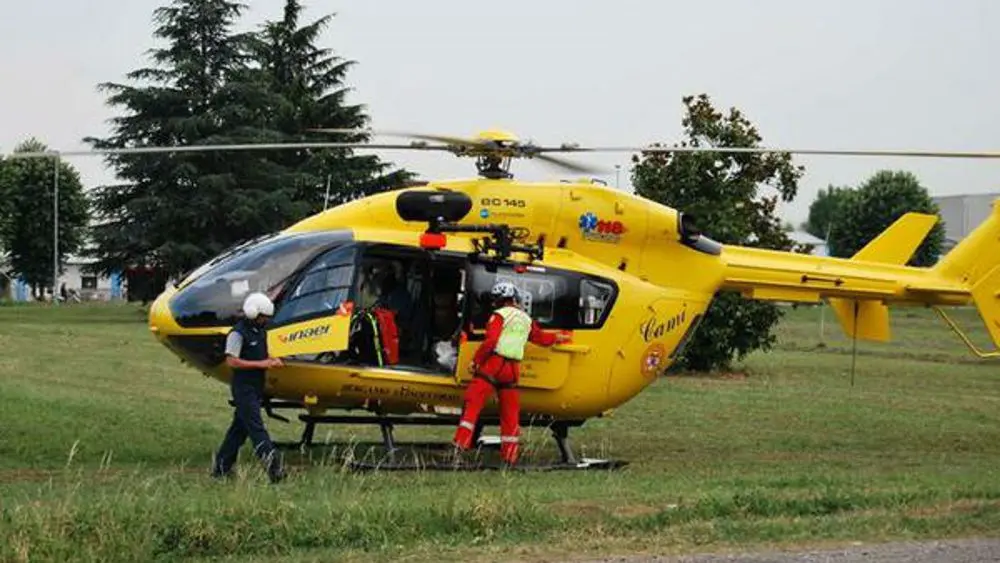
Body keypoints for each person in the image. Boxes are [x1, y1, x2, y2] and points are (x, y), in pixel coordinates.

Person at [452, 280, 570, 465]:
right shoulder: (525, 319)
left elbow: (490, 342)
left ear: (498, 301)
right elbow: (539, 338)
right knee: (510, 413)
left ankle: (460, 446)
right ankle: (510, 455)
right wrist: (557, 337)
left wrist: (476, 361)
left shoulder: (498, 316)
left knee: (472, 401)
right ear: (514, 298)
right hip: (512, 370)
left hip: (494, 365)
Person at [211, 292, 286, 483]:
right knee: (256, 428)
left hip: (256, 386)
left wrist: (272, 360)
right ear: (253, 313)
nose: (265, 321)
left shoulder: (261, 332)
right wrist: (262, 364)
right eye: (263, 317)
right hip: (243, 388)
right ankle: (274, 468)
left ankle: (221, 468)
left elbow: (262, 354)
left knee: (238, 430)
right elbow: (232, 362)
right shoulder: (237, 334)